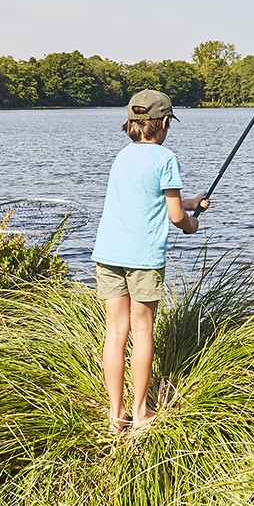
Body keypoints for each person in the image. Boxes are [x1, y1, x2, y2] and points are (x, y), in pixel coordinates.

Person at [91, 89, 208, 433]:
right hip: (142, 258)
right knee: (142, 330)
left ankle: (117, 414)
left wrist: (191, 202)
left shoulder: (122, 157)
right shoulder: (166, 159)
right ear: (165, 123)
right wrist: (192, 223)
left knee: (115, 332)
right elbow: (174, 217)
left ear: (132, 123)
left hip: (109, 254)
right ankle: (141, 414)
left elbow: (152, 196)